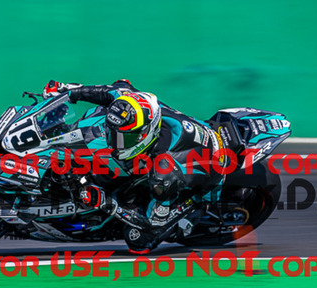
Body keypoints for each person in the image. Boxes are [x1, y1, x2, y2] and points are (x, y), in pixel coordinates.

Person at [43, 79, 227, 253]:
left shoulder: (164, 171)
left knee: (138, 240)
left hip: (203, 180)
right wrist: (68, 91)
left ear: (145, 134)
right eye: (114, 134)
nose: (114, 141)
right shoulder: (138, 105)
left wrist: (106, 202)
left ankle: (192, 211)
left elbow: (153, 220)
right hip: (194, 139)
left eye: (123, 138)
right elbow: (113, 89)